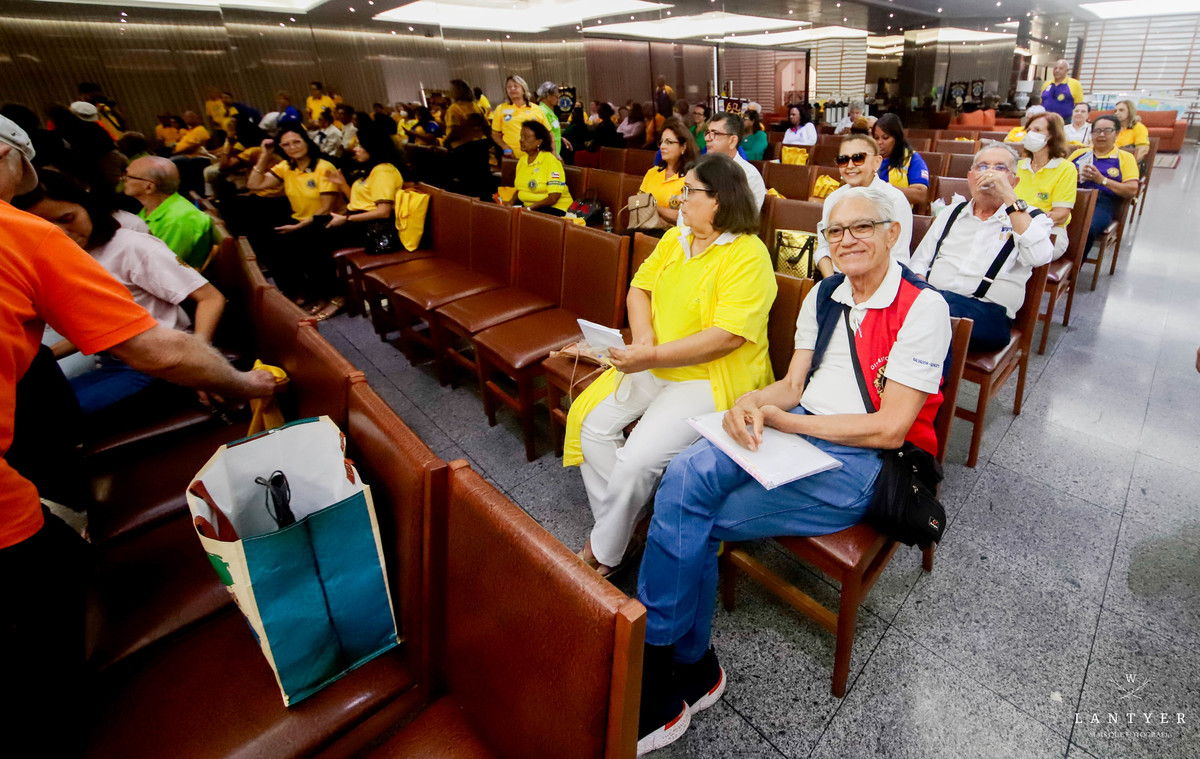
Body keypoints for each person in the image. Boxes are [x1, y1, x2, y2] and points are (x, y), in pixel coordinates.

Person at [633, 184, 950, 756]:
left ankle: (672, 666)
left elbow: (889, 428)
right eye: (835, 231)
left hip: (864, 460)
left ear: (892, 233)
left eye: (861, 227)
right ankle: (682, 662)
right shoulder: (824, 294)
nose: (846, 240)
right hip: (799, 423)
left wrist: (789, 423)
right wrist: (753, 402)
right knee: (682, 478)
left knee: (696, 516)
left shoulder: (923, 308)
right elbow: (793, 385)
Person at [0, 115, 275, 758]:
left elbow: (165, 341)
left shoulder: (65, 238)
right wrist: (244, 384)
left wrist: (233, 379)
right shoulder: (23, 235)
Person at [564, 152, 777, 582]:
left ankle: (603, 550)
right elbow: (639, 289)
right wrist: (643, 339)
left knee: (636, 460)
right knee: (591, 426)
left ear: (718, 200)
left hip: (710, 376)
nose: (679, 198)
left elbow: (727, 337)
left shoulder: (747, 254)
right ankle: (622, 532)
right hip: (657, 360)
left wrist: (651, 356)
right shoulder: (675, 238)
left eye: (689, 191)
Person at [15, 172, 227, 413]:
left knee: (48, 417)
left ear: (87, 205)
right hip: (111, 362)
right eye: (45, 229)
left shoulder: (132, 247)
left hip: (157, 361)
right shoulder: (65, 259)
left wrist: (201, 363)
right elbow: (101, 327)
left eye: (68, 218)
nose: (62, 232)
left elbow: (210, 298)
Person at [910, 142, 1053, 351]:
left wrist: (1009, 197)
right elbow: (919, 262)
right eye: (982, 167)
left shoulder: (1031, 219)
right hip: (935, 300)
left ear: (1014, 181)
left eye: (1000, 168)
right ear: (970, 177)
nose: (990, 174)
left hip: (987, 314)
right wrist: (922, 292)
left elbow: (1039, 257)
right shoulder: (951, 213)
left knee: (927, 325)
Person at [246, 126, 340, 309]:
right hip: (300, 220)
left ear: (307, 142)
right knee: (267, 241)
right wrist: (265, 154)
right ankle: (299, 291)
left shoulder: (323, 167)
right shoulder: (286, 167)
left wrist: (298, 227)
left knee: (303, 241)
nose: (293, 147)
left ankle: (332, 295)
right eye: (286, 145)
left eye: (297, 142)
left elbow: (326, 208)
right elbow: (253, 184)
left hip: (327, 220)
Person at [814, 134, 912, 277]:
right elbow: (823, 248)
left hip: (879, 281)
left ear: (877, 162)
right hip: (836, 277)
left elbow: (898, 257)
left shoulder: (895, 200)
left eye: (858, 158)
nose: (850, 166)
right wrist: (831, 282)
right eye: (843, 160)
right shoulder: (833, 199)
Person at [123, 156, 214, 268]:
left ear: (149, 187)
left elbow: (161, 267)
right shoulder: (152, 208)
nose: (123, 179)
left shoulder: (177, 219)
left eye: (129, 176)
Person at [1069, 114, 1139, 255]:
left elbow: (1132, 189)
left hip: (1102, 203)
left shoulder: (1125, 158)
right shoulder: (1079, 153)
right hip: (1071, 197)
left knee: (1086, 228)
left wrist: (1102, 180)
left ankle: (1074, 264)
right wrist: (1074, 176)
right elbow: (1059, 176)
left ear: (1116, 134)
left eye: (1107, 130)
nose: (1101, 135)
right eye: (1097, 131)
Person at [1015, 111, 1077, 260]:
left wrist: (1028, 220)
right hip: (1013, 226)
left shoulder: (1065, 169)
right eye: (1029, 130)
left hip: (1048, 230)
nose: (1030, 134)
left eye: (1037, 130)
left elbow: (1061, 214)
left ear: (1052, 136)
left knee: (1022, 253)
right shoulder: (1017, 166)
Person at [627, 117, 697, 238]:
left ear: (683, 147)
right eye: (661, 142)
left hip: (675, 235)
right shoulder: (653, 172)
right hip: (645, 229)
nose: (662, 146)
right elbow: (638, 205)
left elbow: (687, 216)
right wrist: (658, 216)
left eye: (669, 142)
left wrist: (655, 209)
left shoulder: (691, 177)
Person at [505, 120, 572, 216]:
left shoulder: (550, 161)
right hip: (530, 208)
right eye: (521, 136)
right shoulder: (522, 161)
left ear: (539, 142)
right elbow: (520, 189)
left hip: (554, 209)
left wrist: (529, 209)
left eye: (526, 137)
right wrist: (510, 203)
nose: (521, 140)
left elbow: (553, 197)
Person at [702, 112, 766, 210]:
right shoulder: (702, 169)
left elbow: (744, 217)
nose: (707, 138)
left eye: (715, 133)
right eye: (707, 133)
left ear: (732, 141)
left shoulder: (749, 176)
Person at [872, 113, 929, 209]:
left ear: (897, 138)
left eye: (885, 138)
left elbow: (921, 195)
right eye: (876, 138)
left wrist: (886, 189)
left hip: (898, 212)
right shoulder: (868, 157)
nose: (879, 142)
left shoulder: (911, 158)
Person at [490, 75, 551, 160]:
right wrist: (505, 147)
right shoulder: (500, 109)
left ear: (523, 89)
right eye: (509, 87)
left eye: (515, 86)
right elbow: (495, 134)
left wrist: (553, 153)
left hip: (536, 157)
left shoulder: (536, 109)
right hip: (512, 157)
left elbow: (549, 133)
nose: (512, 89)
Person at [446, 79, 487, 149]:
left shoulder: (454, 108)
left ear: (456, 92)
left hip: (462, 146)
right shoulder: (476, 106)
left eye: (451, 89)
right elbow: (486, 126)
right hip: (481, 143)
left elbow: (455, 131)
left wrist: (446, 142)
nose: (449, 91)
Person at [535, 81, 567, 156]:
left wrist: (560, 138)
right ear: (548, 96)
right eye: (556, 97)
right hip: (549, 153)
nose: (558, 100)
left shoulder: (549, 111)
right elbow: (544, 136)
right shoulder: (543, 111)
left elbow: (552, 130)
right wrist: (554, 154)